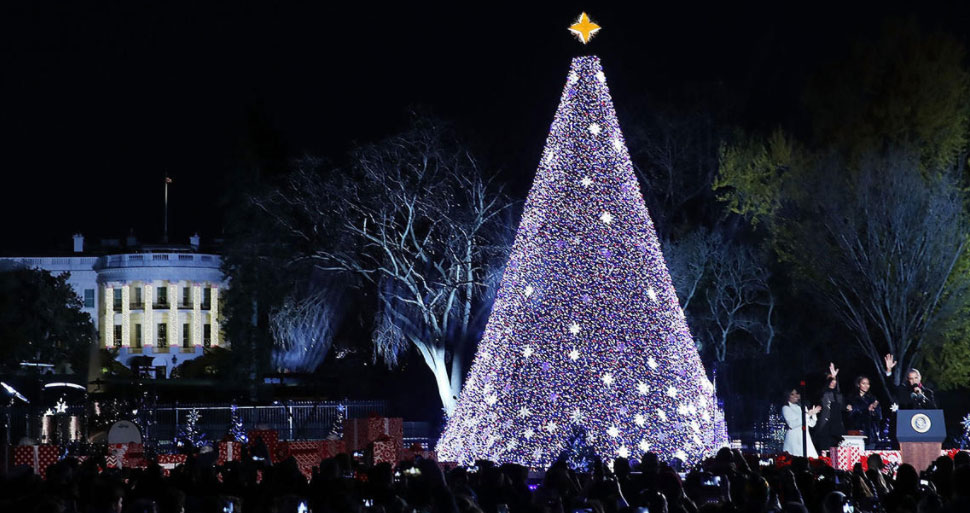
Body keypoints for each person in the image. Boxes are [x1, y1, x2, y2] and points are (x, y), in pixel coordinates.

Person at [815, 363, 848, 452]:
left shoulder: (839, 395)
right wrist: (831, 377)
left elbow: (842, 407)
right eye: (830, 380)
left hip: (837, 426)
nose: (833, 382)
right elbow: (822, 396)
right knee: (825, 449)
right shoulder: (823, 394)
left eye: (834, 380)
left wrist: (848, 407)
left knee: (838, 450)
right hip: (826, 425)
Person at [782, 388, 821, 458]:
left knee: (812, 459)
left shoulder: (802, 407)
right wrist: (808, 414)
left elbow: (811, 424)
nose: (795, 396)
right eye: (792, 394)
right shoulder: (786, 408)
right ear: (787, 396)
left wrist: (813, 414)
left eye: (796, 393)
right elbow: (792, 424)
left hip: (805, 437)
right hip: (794, 439)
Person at [847, 375, 882, 449]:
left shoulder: (872, 398)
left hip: (870, 433)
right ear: (858, 384)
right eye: (863, 383)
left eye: (868, 384)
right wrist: (866, 409)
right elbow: (851, 413)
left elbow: (879, 416)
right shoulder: (852, 398)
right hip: (856, 433)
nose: (866, 386)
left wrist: (873, 411)